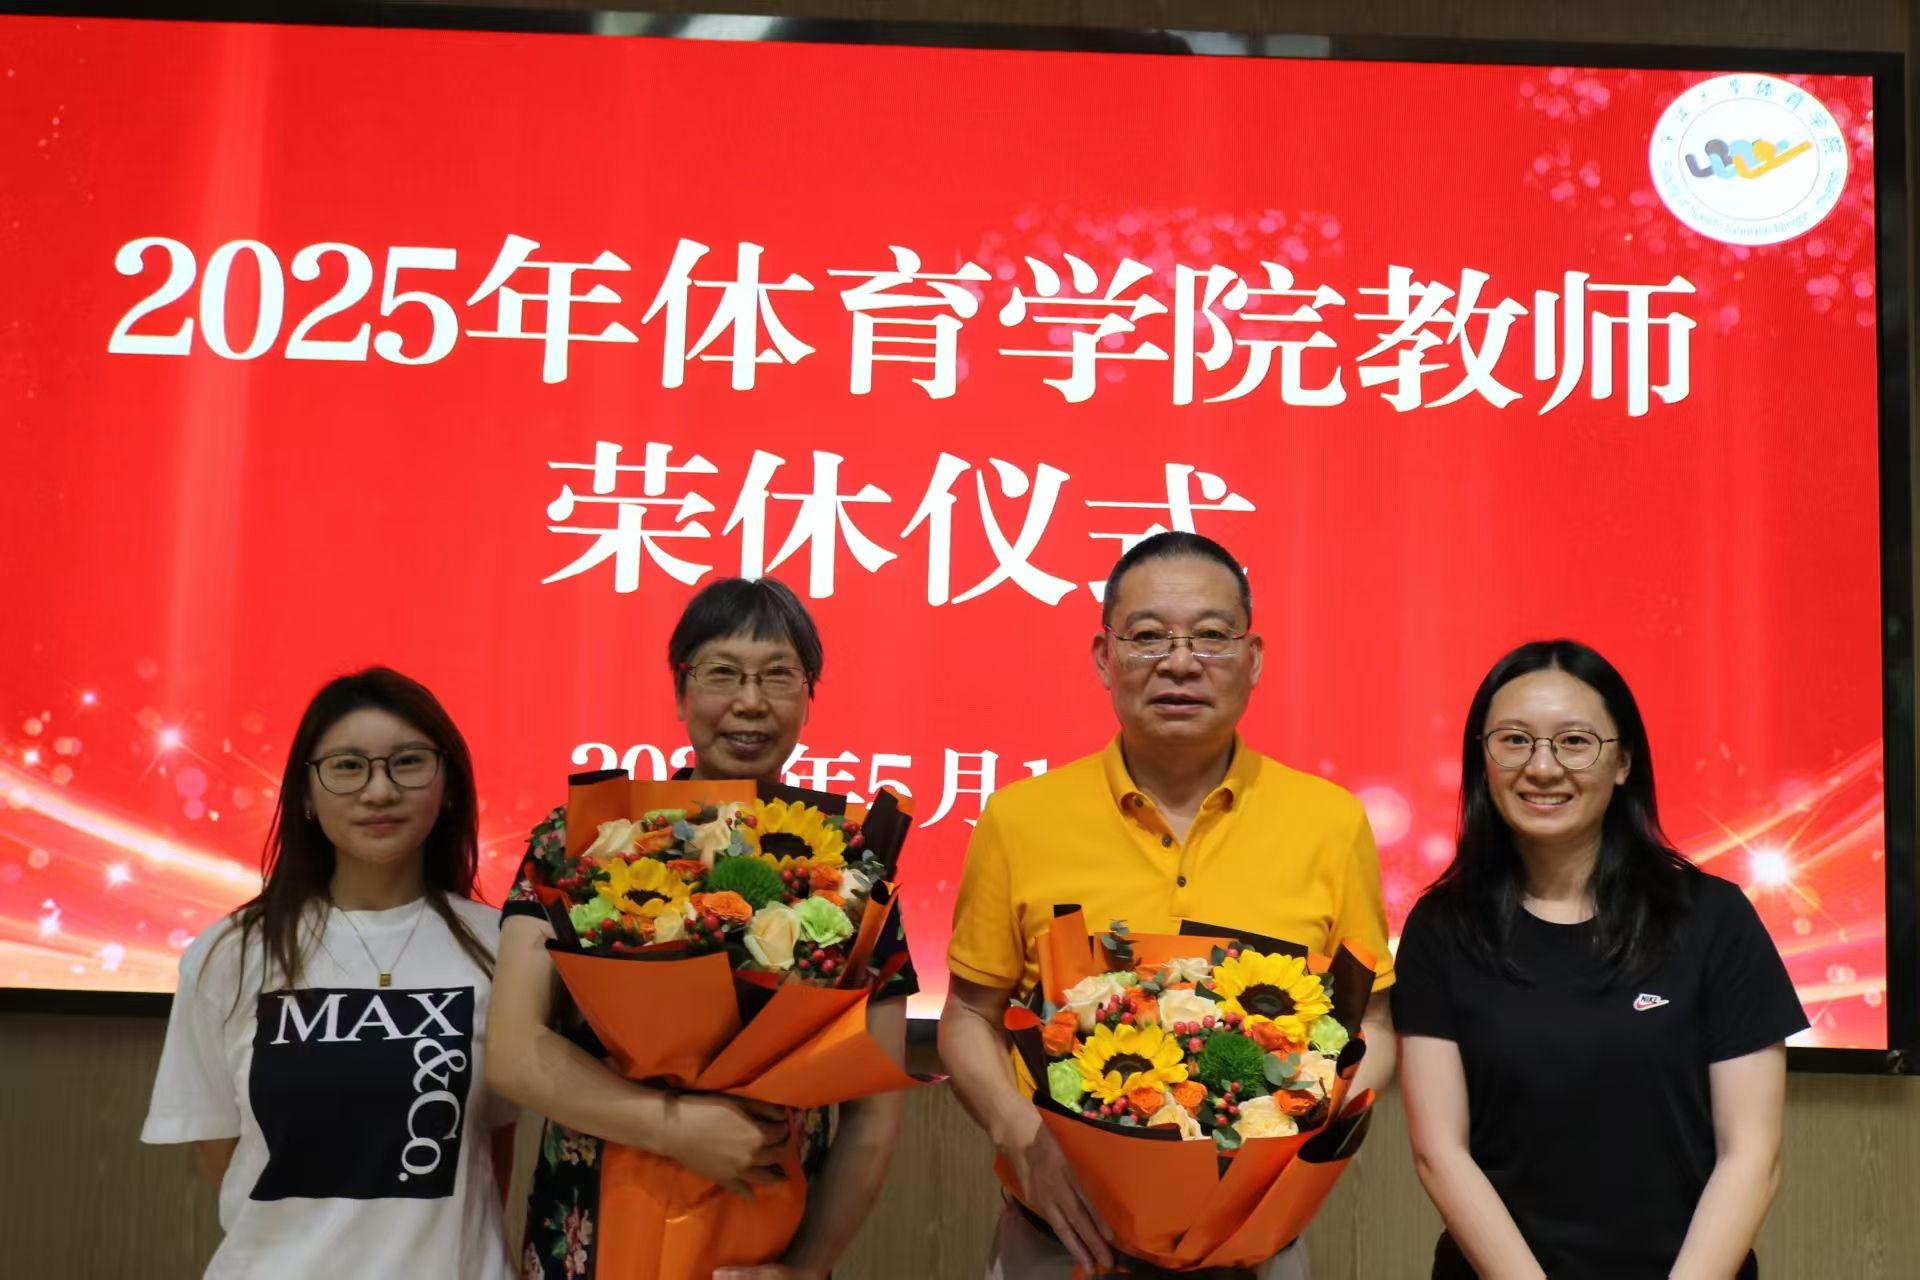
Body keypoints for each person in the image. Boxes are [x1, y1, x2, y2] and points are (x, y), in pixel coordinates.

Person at [939, 531, 1397, 1280]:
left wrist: (1304, 1139)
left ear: (1253, 659)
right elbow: (967, 1015)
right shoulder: (1020, 820)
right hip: (1063, 1245)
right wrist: (1023, 1137)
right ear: (1103, 657)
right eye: (1148, 636)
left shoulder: (1330, 822)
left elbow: (1370, 1023)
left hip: (1256, 1250)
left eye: (1211, 636)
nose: (1180, 662)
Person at [487, 575, 915, 1280]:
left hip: (764, 1244)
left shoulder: (852, 867)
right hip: (595, 1231)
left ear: (808, 697)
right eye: (722, 673)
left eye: (779, 675)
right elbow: (511, 1049)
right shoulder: (582, 839)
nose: (750, 701)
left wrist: (807, 1269)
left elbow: (872, 1114)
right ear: (681, 692)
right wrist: (673, 1126)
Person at [1394, 640, 1807, 1280]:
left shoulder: (1713, 917)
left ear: (1623, 763)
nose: (1543, 767)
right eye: (1514, 741)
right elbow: (1440, 1155)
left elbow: (1752, 1156)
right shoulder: (1441, 927)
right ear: (1483, 759)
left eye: (1575, 742)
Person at [142, 667, 516, 1280]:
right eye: (347, 767)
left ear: (447, 785)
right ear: (306, 796)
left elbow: (493, 1144)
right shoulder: (230, 953)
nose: (379, 791)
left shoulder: (502, 946)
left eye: (408, 763)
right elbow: (221, 1154)